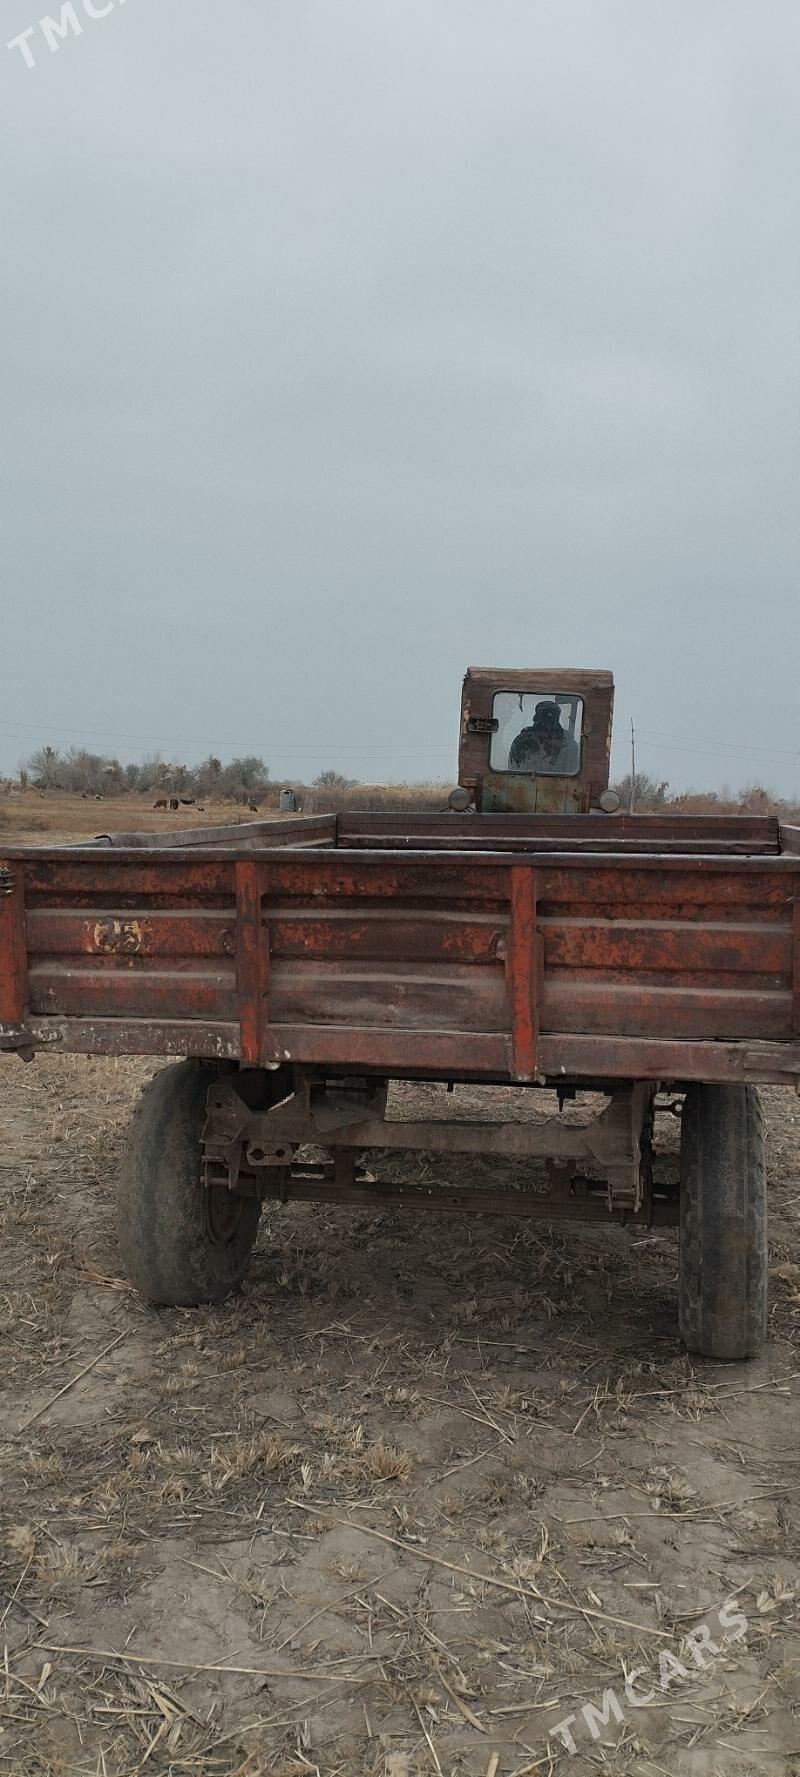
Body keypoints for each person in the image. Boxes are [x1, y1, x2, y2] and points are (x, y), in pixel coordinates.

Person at [508, 700, 580, 774]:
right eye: (545, 715)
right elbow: (513, 772)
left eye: (552, 715)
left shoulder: (569, 744)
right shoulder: (522, 742)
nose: (548, 720)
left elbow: (573, 773)